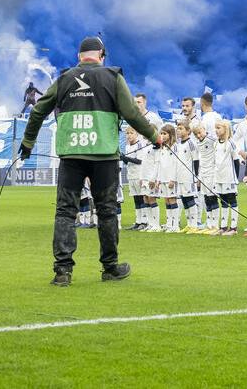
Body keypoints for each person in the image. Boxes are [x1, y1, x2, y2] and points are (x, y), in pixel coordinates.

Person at [17, 36, 162, 287]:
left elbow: (38, 110)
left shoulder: (63, 78)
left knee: (65, 211)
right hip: (104, 154)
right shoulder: (113, 76)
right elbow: (131, 113)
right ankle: (110, 267)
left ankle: (63, 271)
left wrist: (28, 143)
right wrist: (154, 136)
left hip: (71, 155)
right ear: (102, 56)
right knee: (107, 211)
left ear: (79, 57)